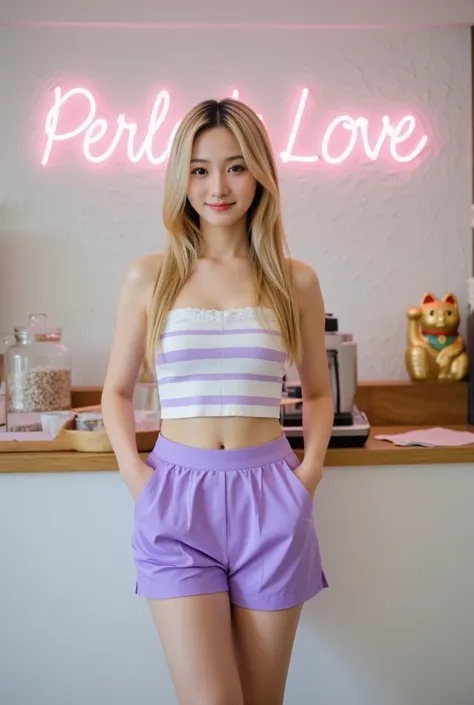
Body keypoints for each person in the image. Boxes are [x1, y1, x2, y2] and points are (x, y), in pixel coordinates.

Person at [101, 97, 334, 705]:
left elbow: (317, 391)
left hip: (273, 498)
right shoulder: (149, 276)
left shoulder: (295, 279)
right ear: (182, 179)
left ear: (260, 172)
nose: (218, 186)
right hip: (176, 496)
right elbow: (117, 392)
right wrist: (137, 477)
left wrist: (306, 476)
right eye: (200, 169)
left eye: (235, 166)